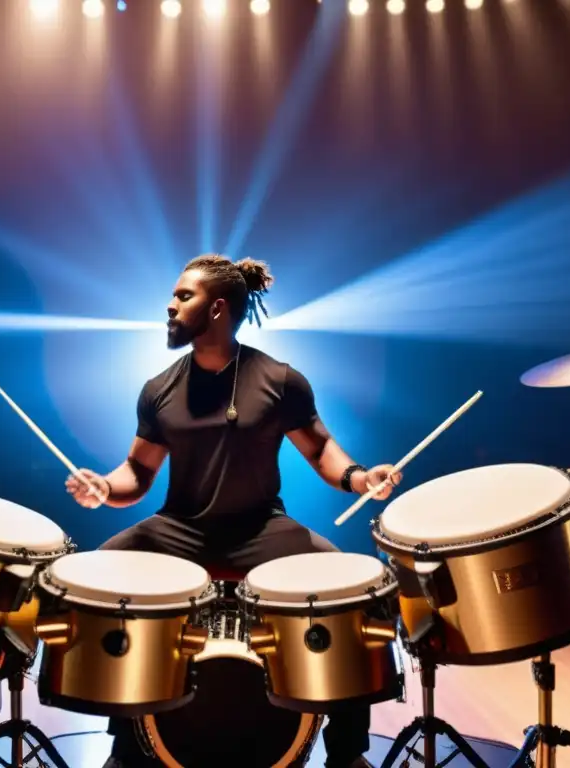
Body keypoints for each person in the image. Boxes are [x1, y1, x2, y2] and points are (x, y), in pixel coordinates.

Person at [66, 254, 402, 768]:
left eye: (183, 296)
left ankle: (348, 753)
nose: (170, 305)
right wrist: (103, 487)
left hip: (261, 529)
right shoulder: (159, 389)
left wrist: (362, 478)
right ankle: (125, 744)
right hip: (180, 530)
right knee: (101, 579)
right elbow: (136, 474)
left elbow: (320, 451)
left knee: (357, 594)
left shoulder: (280, 379)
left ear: (218, 307)